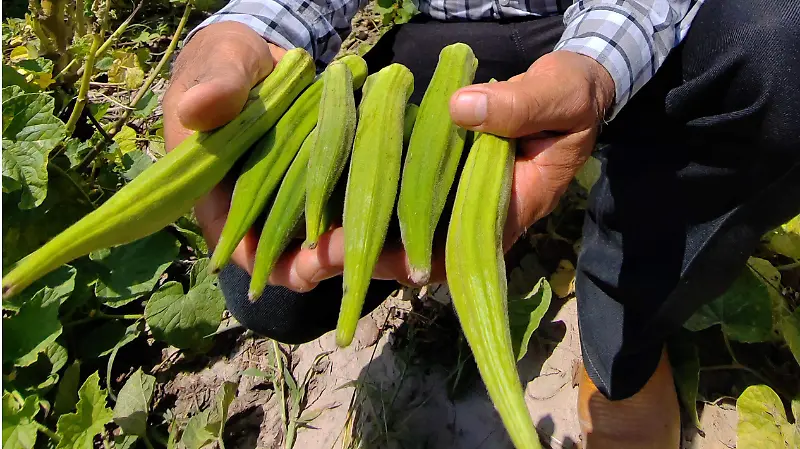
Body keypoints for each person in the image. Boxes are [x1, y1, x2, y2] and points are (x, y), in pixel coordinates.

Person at [163, 0, 800, 446]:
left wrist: (595, 69)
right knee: (274, 284)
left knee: (779, 39)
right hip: (446, 42)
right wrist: (246, 32)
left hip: (617, 26)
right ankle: (411, 246)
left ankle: (623, 350)